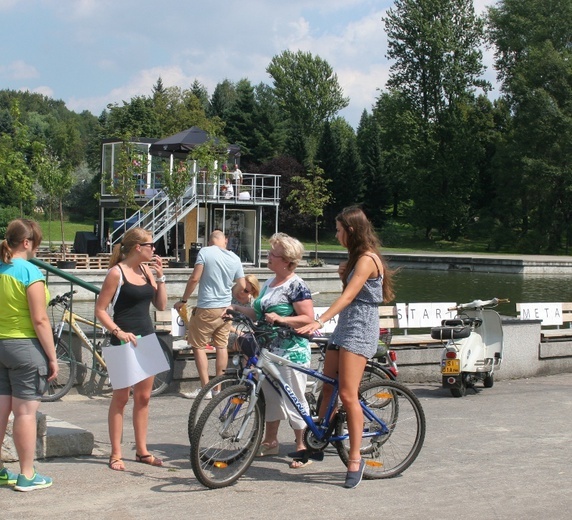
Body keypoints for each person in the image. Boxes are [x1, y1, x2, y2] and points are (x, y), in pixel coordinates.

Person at [297, 206, 395, 488]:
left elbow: (351, 296)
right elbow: (350, 291)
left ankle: (354, 459)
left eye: (339, 229)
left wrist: (320, 320)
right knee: (328, 386)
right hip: (345, 327)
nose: (336, 234)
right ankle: (319, 439)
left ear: (350, 230)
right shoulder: (353, 259)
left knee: (349, 395)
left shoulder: (366, 259)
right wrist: (343, 274)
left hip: (360, 327)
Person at [228, 233, 314, 467]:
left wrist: (282, 319)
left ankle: (302, 447)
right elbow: (258, 314)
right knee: (271, 398)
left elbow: (308, 318)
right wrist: (236, 307)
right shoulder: (269, 282)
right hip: (266, 351)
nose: (268, 257)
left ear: (286, 260)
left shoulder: (296, 285)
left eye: (273, 254)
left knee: (294, 398)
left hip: (290, 352)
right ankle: (270, 442)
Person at [94, 227, 167, 471]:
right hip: (123, 340)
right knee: (121, 398)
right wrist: (118, 332)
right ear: (138, 247)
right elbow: (101, 310)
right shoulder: (117, 273)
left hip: (147, 338)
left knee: (144, 397)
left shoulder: (146, 271)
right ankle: (116, 453)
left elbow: (160, 304)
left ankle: (142, 451)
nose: (154, 249)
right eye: (150, 245)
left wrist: (161, 277)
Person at [0, 219, 58, 491]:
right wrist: (53, 356)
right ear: (26, 243)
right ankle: (26, 474)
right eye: (36, 242)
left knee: (1, 410)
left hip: (1, 345)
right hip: (24, 347)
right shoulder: (29, 272)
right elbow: (40, 320)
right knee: (25, 413)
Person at [175, 230, 245, 399]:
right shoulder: (235, 258)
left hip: (206, 307)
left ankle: (205, 389)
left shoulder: (205, 252)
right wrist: (230, 300)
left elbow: (194, 278)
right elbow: (242, 285)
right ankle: (217, 389)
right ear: (225, 241)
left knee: (198, 346)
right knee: (221, 346)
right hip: (224, 310)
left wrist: (183, 300)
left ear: (209, 241)